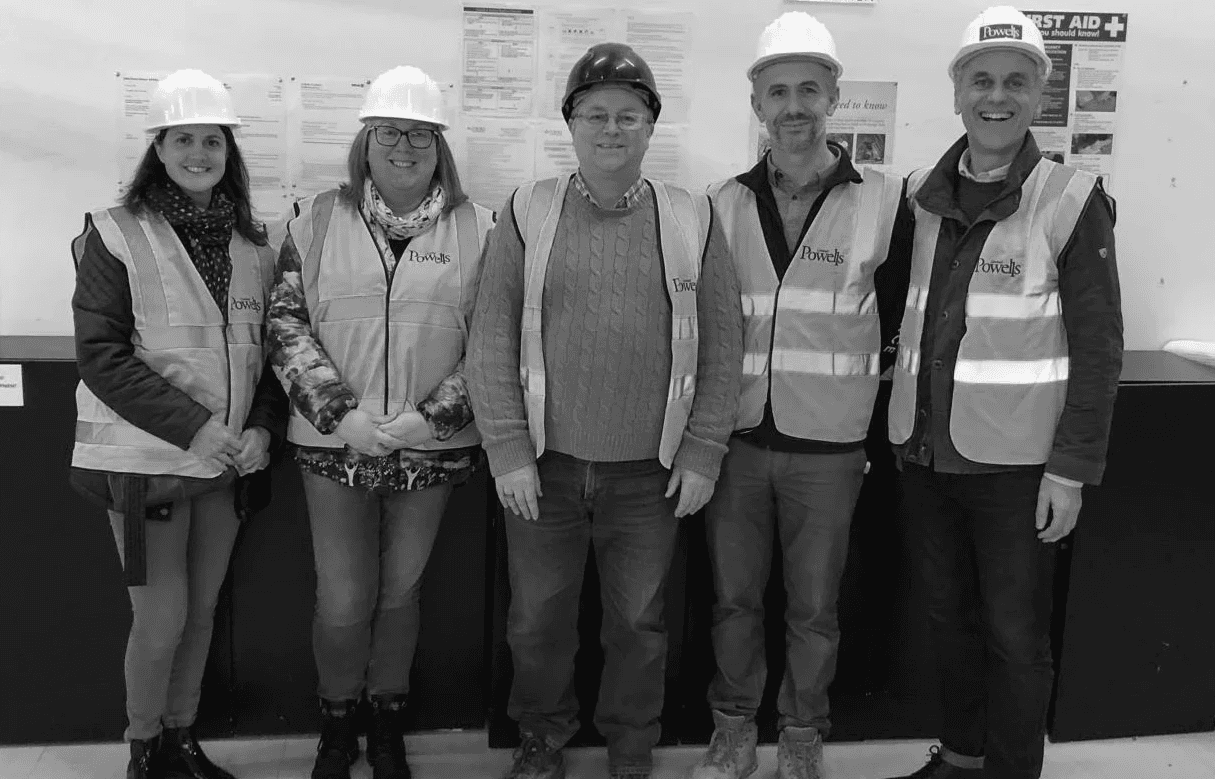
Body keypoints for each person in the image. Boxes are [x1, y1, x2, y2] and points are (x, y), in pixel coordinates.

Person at [468, 42, 744, 779]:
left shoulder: (692, 216)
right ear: (570, 123)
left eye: (628, 115)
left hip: (648, 475)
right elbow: (489, 337)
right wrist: (506, 450)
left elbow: (724, 343)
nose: (611, 129)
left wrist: (703, 449)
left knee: (639, 624)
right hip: (544, 468)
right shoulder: (527, 210)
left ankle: (630, 748)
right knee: (536, 622)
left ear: (651, 126)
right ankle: (540, 737)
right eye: (595, 114)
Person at [882, 7, 1123, 779]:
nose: (996, 96)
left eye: (1015, 82)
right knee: (949, 622)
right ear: (957, 91)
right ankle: (959, 756)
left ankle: (1011, 771)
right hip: (924, 456)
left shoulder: (1069, 198)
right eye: (980, 80)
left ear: (1036, 97)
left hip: (1017, 472)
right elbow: (898, 314)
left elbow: (1098, 348)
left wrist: (1070, 470)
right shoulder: (919, 192)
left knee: (1015, 638)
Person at [690, 13, 911, 779]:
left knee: (815, 606)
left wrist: (881, 439)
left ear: (832, 98)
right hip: (738, 440)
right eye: (777, 91)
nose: (793, 106)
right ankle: (730, 728)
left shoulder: (884, 201)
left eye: (808, 90)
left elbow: (899, 326)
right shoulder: (717, 203)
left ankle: (800, 735)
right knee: (732, 601)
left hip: (830, 446)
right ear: (756, 103)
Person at [266, 65, 495, 779]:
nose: (405, 146)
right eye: (390, 131)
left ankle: (387, 718)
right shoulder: (315, 219)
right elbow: (285, 322)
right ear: (365, 141)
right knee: (342, 596)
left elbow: (494, 338)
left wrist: (431, 420)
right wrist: (343, 414)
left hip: (431, 447)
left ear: (439, 146)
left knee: (400, 591)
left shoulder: (481, 227)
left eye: (421, 133)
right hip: (337, 444)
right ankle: (338, 722)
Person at [70, 69, 284, 779]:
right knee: (160, 621)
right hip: (145, 469)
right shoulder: (114, 234)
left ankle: (180, 741)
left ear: (230, 152)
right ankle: (142, 751)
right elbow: (102, 356)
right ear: (157, 149)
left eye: (213, 141)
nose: (200, 153)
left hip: (222, 467)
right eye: (184, 139)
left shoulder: (253, 244)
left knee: (201, 615)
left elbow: (263, 355)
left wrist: (259, 428)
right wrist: (194, 427)